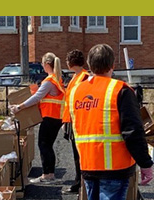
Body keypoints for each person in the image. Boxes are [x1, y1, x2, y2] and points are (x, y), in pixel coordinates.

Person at [67, 44, 154, 200]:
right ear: (112, 65)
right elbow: (133, 132)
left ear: (89, 65)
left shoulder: (76, 91)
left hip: (88, 165)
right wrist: (145, 163)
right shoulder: (120, 90)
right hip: (115, 167)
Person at [9, 52, 65, 184]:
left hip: (50, 117)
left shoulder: (49, 81)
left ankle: (48, 175)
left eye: (42, 63)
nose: (41, 65)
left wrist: (19, 107)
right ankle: (49, 173)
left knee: (44, 145)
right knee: (48, 145)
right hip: (56, 117)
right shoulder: (57, 80)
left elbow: (36, 97)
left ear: (46, 64)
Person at [61, 49, 90, 194]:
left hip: (78, 121)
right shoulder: (76, 76)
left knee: (80, 155)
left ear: (71, 62)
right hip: (72, 120)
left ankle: (80, 183)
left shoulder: (83, 77)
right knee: (76, 155)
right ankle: (79, 182)